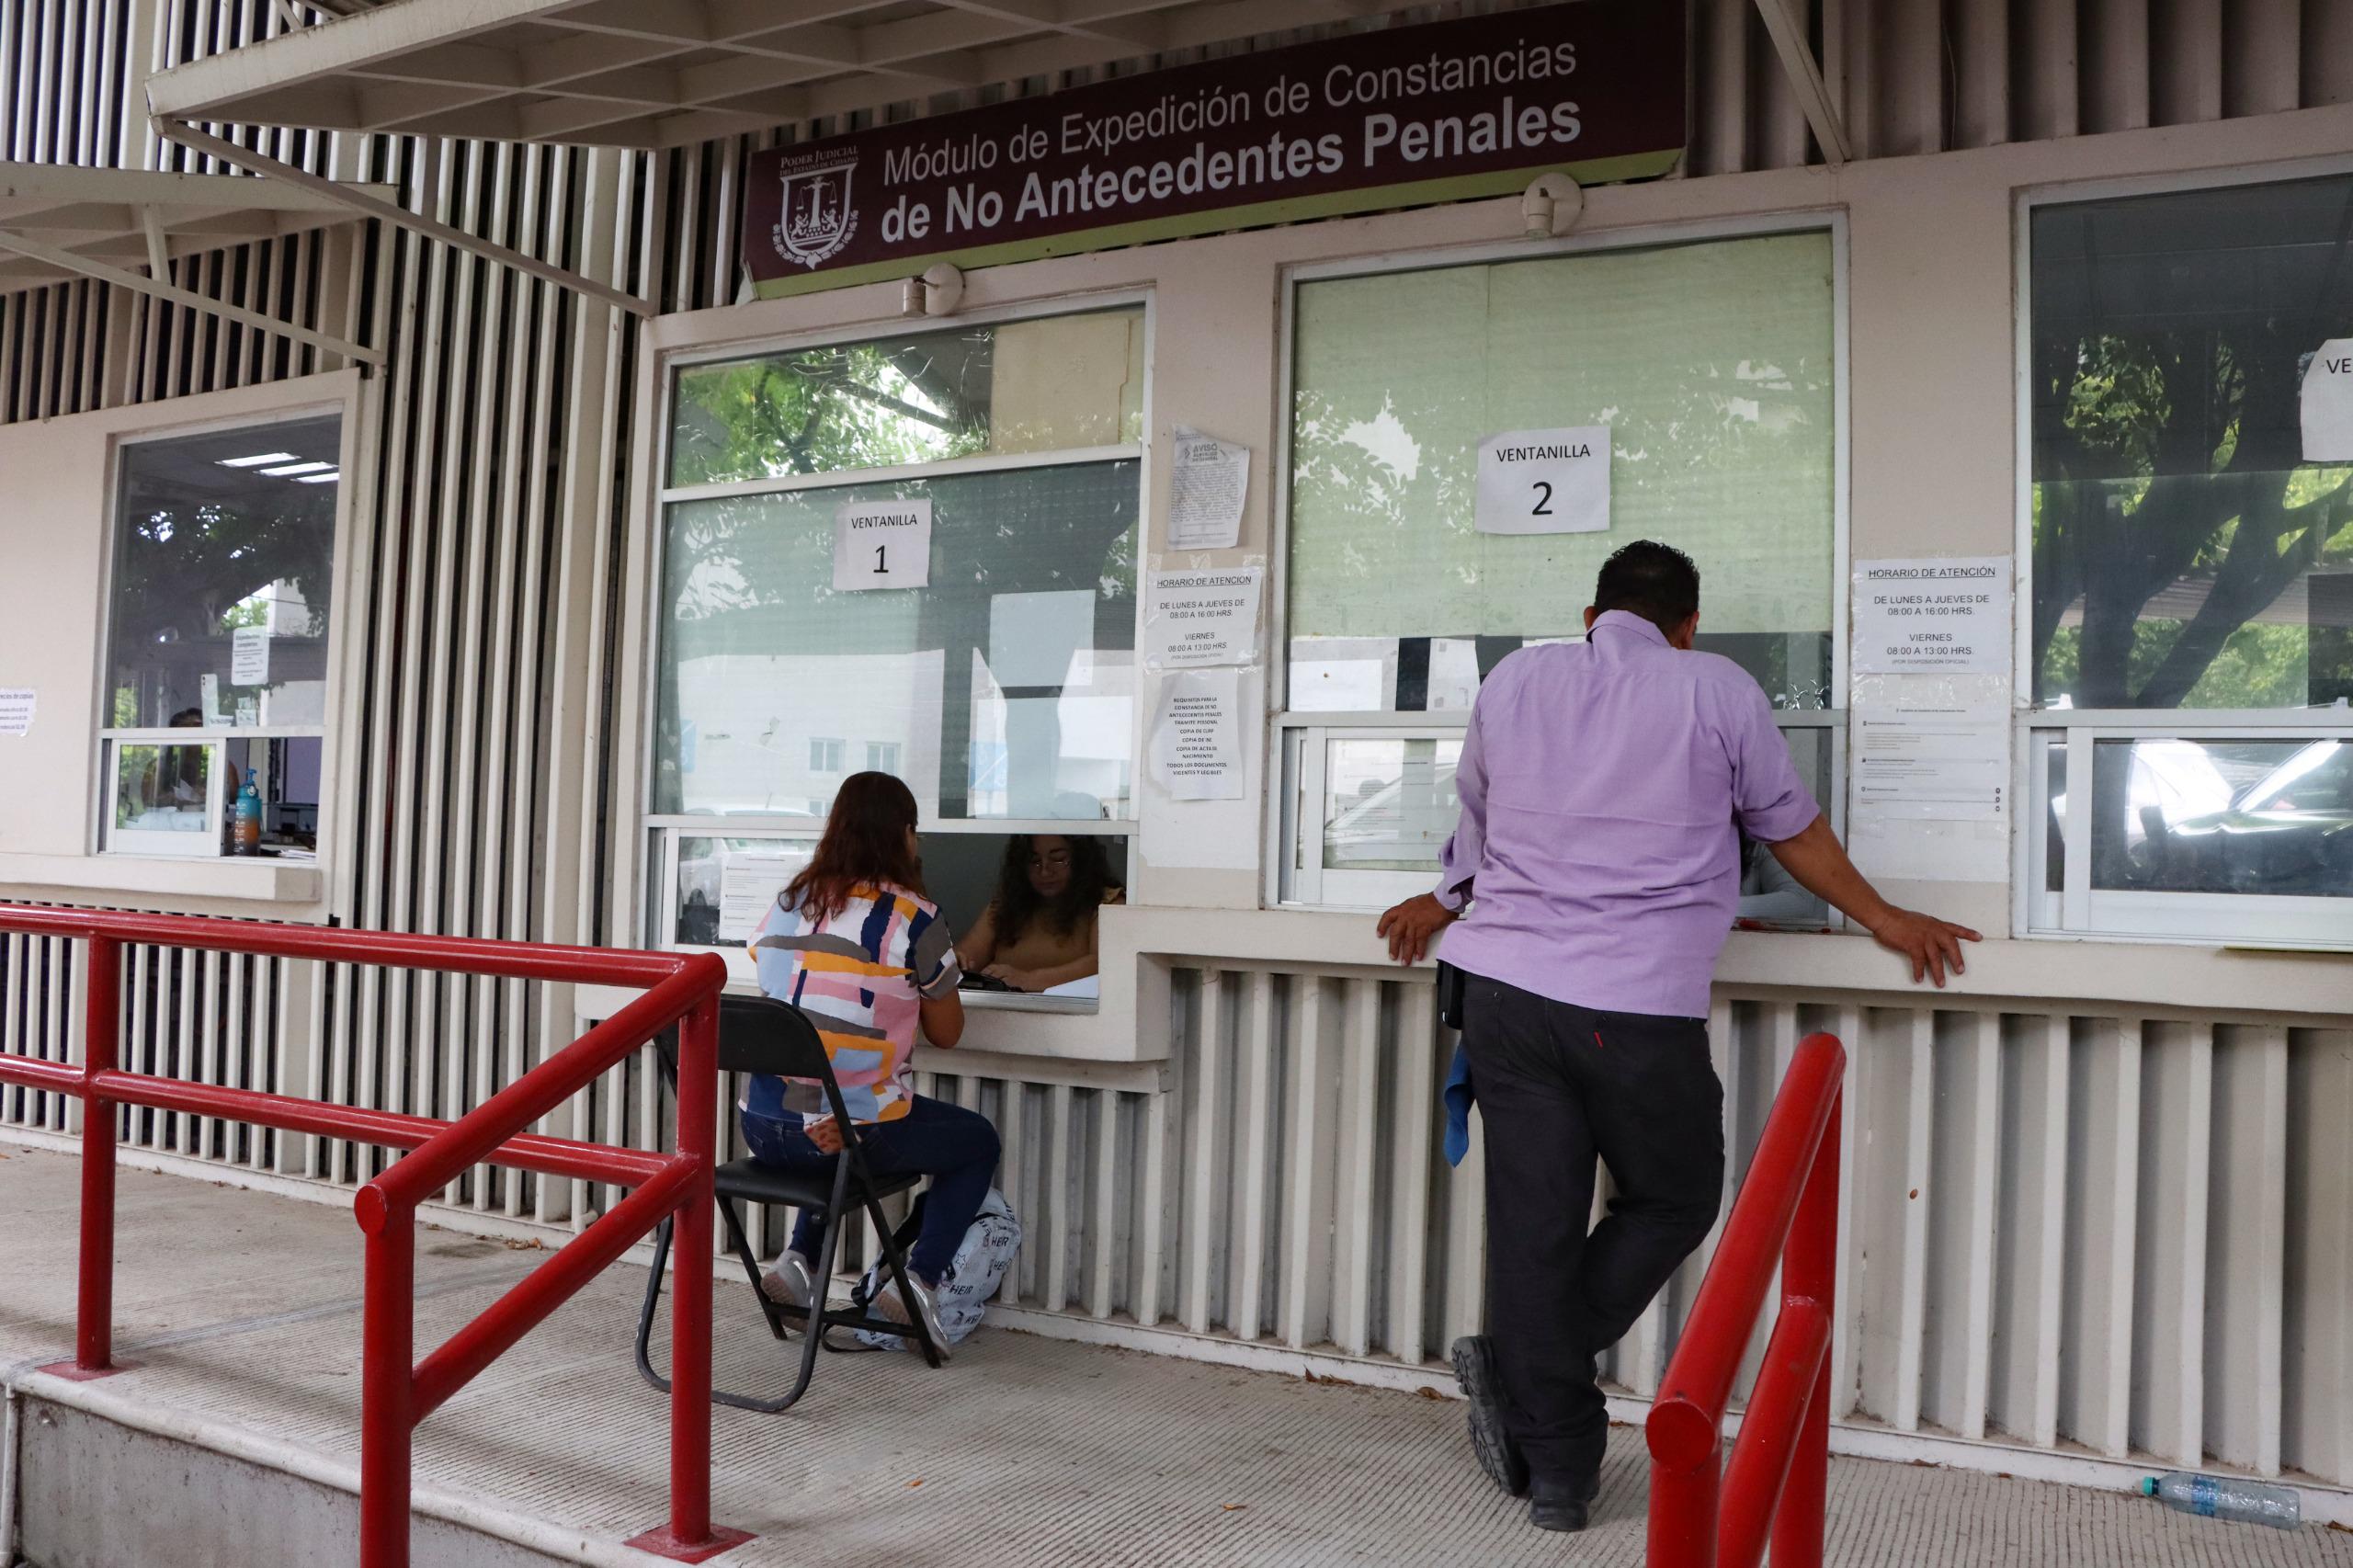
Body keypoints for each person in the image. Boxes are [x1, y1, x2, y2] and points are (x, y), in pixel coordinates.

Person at [1377, 541, 1977, 1533]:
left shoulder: (1515, 680)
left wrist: (1441, 901)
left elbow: (1483, 824)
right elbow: (1790, 829)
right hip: (1633, 1007)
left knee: (1533, 1228)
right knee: (1676, 1196)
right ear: (1687, 625)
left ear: (1591, 616)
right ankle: (1532, 1366)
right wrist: (1886, 919)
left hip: (1503, 995)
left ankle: (1559, 1476)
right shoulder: (1717, 689)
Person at [740, 771, 1000, 1357]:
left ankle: (800, 1261)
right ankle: (919, 1280)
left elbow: (790, 1000)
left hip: (763, 1125)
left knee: (831, 1118)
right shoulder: (915, 915)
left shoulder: (789, 902)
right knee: (976, 1141)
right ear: (904, 834)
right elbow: (948, 1033)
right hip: (847, 1132)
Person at [956, 834, 1124, 993]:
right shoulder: (1006, 905)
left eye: (1058, 859)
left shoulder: (1107, 903)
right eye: (1034, 861)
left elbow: (1104, 964)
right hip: (1002, 1009)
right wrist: (956, 961)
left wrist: (1028, 979)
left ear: (1082, 860)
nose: (1045, 871)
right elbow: (967, 956)